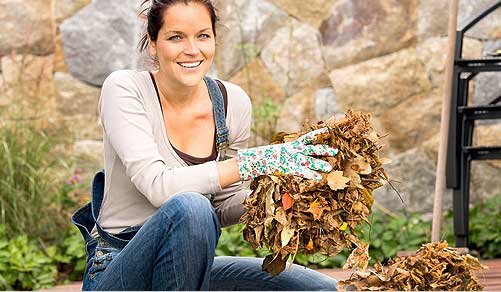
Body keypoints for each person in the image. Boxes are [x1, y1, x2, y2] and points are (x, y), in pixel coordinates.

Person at [72, 0, 339, 290]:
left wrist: (281, 197)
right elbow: (157, 185)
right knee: (191, 206)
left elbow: (224, 204)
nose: (192, 49)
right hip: (118, 268)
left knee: (315, 288)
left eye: (203, 35)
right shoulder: (124, 90)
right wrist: (253, 162)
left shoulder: (232, 103)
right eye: (176, 37)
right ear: (152, 43)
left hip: (184, 267)